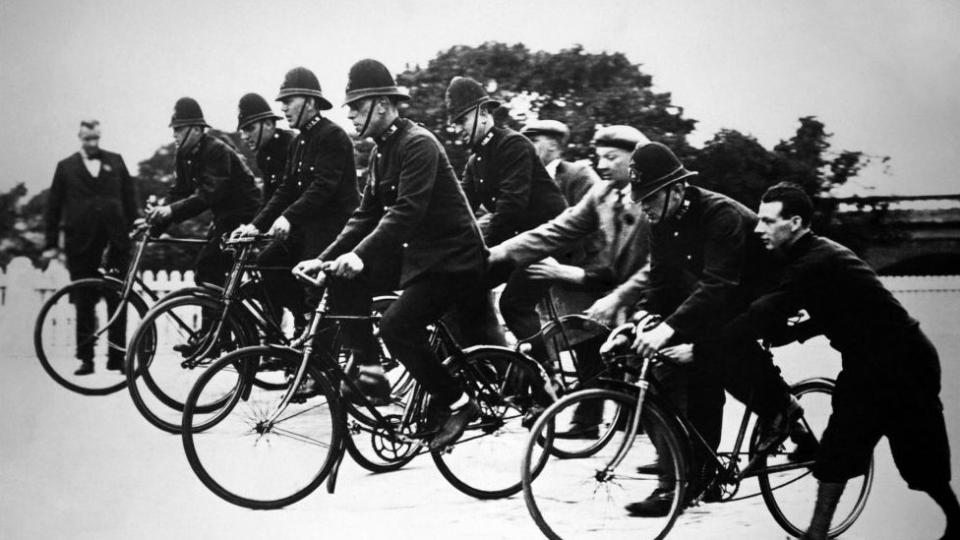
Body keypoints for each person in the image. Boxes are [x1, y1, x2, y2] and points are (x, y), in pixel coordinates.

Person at [719, 182, 959, 540]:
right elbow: (842, 308)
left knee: (920, 460)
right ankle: (817, 535)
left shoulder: (815, 260)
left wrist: (709, 341)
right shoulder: (811, 256)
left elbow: (767, 308)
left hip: (904, 362)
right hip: (870, 362)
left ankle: (954, 521)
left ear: (795, 222)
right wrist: (793, 334)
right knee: (837, 451)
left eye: (768, 221)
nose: (758, 228)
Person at [294, 59, 488, 450]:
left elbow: (406, 211)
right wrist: (327, 257)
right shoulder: (383, 151)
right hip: (420, 258)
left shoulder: (418, 143)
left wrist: (361, 256)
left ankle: (460, 402)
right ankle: (370, 373)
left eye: (357, 106)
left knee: (397, 327)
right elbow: (364, 215)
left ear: (382, 104)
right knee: (337, 278)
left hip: (455, 261)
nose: (349, 114)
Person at [625, 141, 801, 516]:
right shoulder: (661, 219)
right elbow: (659, 281)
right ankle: (699, 476)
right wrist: (641, 317)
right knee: (696, 370)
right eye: (640, 200)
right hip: (717, 298)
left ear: (676, 189)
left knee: (715, 350)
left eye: (650, 199)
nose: (645, 208)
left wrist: (669, 328)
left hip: (762, 293)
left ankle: (782, 409)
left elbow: (718, 285)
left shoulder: (719, 215)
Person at [488, 125, 652, 437]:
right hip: (588, 274)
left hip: (598, 273)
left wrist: (580, 276)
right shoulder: (603, 191)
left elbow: (606, 245)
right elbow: (558, 228)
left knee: (603, 345)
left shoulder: (593, 179)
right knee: (594, 344)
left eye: (611, 157)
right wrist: (499, 253)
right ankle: (621, 420)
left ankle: (653, 432)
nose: (601, 164)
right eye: (599, 156)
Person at [446, 76, 567, 368]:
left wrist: (473, 246)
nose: (457, 128)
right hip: (516, 240)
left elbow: (511, 209)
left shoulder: (513, 145)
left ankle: (542, 379)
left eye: (462, 120)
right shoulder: (476, 161)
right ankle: (491, 368)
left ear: (485, 114)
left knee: (514, 304)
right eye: (454, 122)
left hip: (549, 240)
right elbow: (459, 208)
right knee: (459, 289)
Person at [233, 70, 359, 329]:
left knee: (312, 282)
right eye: (283, 102)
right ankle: (303, 324)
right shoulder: (299, 142)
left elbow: (324, 187)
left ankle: (320, 359)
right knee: (268, 262)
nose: (283, 108)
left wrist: (289, 217)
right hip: (306, 229)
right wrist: (256, 225)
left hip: (332, 229)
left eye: (289, 101)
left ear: (310, 103)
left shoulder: (332, 136)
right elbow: (286, 190)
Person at [43, 119, 139, 375]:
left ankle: (117, 358)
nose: (92, 143)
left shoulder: (116, 161)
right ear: (80, 138)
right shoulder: (65, 167)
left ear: (100, 136)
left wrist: (135, 225)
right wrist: (51, 244)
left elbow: (130, 198)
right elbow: (53, 207)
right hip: (81, 243)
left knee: (117, 297)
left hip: (116, 241)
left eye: (95, 138)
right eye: (87, 138)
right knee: (84, 300)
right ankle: (86, 358)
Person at [148, 97, 260, 294]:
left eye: (179, 129)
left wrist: (170, 211)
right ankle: (218, 322)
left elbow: (210, 193)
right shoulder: (183, 154)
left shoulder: (216, 150)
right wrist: (153, 225)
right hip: (223, 216)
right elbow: (179, 192)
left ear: (197, 130)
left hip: (244, 215)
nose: (174, 134)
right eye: (173, 129)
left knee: (208, 267)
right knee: (206, 272)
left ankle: (218, 323)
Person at [520, 119, 597, 206]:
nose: (524, 146)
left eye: (533, 141)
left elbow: (591, 214)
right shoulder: (520, 177)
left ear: (553, 145)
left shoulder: (578, 175)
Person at [236, 92, 294, 207]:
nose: (244, 137)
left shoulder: (292, 146)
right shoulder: (262, 155)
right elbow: (268, 198)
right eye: (243, 131)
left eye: (250, 129)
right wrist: (254, 224)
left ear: (268, 124)